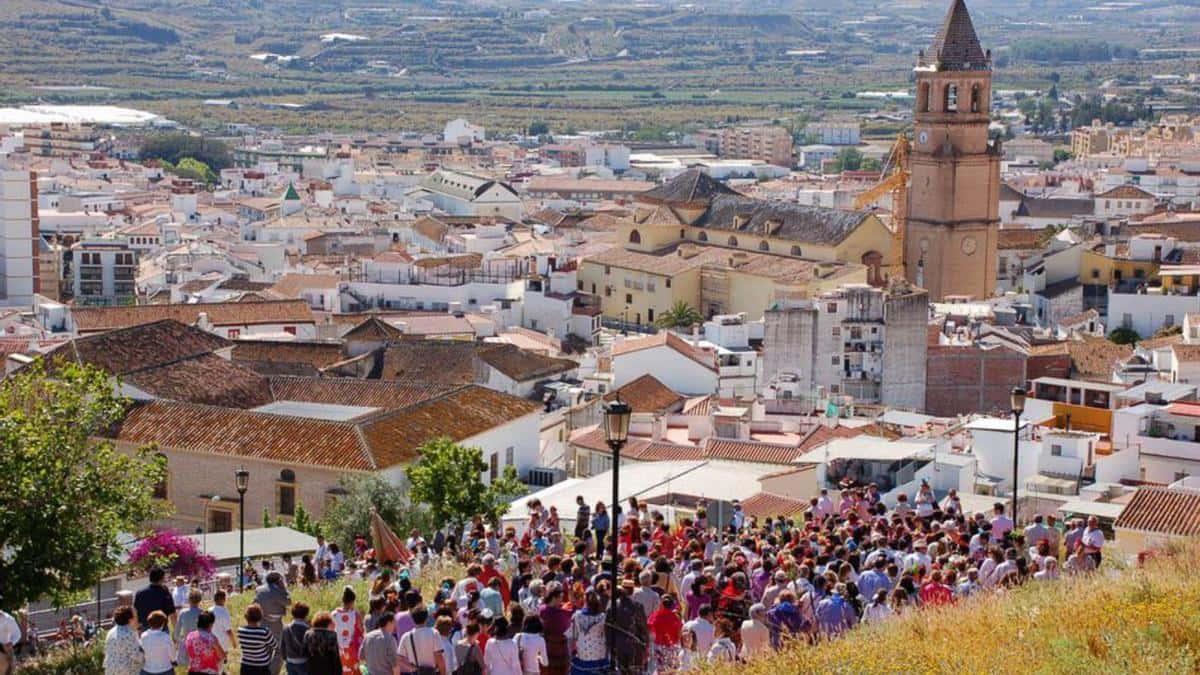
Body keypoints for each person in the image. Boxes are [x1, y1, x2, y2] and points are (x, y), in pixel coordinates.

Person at [608, 579, 649, 674]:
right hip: (634, 645)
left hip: (619, 645)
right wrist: (645, 644)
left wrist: (610, 644)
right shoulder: (637, 607)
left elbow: (608, 627)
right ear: (632, 591)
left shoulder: (613, 606)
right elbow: (643, 628)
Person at [256, 571, 291, 675]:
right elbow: (288, 602)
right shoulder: (277, 591)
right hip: (276, 623)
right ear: (278, 581)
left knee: (266, 649)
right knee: (279, 649)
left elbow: (255, 602)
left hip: (263, 621)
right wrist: (284, 589)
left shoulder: (259, 589)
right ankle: (272, 672)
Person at [567, 590, 608, 675]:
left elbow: (571, 635)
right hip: (599, 651)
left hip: (584, 651)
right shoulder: (603, 617)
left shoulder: (577, 616)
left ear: (585, 601)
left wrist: (569, 653)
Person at [397, 606, 446, 675]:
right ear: (426, 618)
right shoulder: (434, 633)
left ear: (413, 619)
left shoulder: (406, 636)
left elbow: (399, 659)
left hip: (416, 672)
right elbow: (439, 657)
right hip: (431, 672)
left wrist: (412, 668)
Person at [331, 586, 364, 675]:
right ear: (353, 601)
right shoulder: (355, 615)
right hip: (352, 648)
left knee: (342, 670)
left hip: (339, 649)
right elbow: (361, 630)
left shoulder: (334, 614)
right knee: (354, 669)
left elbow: (331, 630)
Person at [239, 603, 278, 675]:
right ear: (260, 616)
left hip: (245, 665)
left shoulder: (241, 631)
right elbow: (275, 645)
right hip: (261, 666)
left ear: (246, 616)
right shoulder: (264, 632)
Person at [103, 606, 143, 675]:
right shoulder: (130, 633)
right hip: (125, 670)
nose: (137, 619)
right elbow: (136, 656)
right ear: (130, 620)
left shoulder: (111, 631)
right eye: (135, 616)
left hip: (110, 669)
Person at [183, 611, 225, 675]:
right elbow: (222, 655)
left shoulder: (190, 635)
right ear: (210, 624)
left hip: (193, 671)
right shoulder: (211, 638)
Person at [172, 589, 203, 671]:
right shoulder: (203, 613)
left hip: (187, 644)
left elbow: (176, 633)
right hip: (200, 645)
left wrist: (181, 642)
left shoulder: (183, 613)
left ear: (188, 599)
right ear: (200, 600)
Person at [140, 610, 176, 675]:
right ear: (163, 624)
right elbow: (172, 653)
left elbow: (141, 652)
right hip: (165, 669)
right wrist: (174, 661)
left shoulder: (143, 636)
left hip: (147, 669)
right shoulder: (166, 637)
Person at [282, 602, 311, 675]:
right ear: (306, 614)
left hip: (290, 660)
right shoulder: (307, 629)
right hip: (303, 661)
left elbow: (282, 646)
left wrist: (285, 658)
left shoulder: (286, 628)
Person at [209, 589, 236, 658]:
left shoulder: (209, 610)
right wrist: (233, 642)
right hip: (222, 642)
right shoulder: (224, 612)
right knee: (222, 661)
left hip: (210, 640)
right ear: (223, 599)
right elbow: (228, 630)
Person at [0, 606, 19, 675]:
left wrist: (11, 643)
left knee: (11, 665)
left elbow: (17, 634)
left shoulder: (8, 619)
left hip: (4, 647)